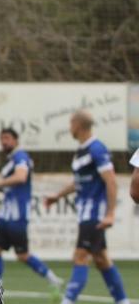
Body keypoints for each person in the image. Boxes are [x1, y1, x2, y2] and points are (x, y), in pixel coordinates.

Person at [43, 111, 130, 304]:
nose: (69, 128)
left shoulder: (97, 149)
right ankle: (123, 301)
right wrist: (57, 196)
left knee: (80, 256)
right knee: (101, 260)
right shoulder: (82, 151)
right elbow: (78, 182)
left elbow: (111, 181)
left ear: (77, 125)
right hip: (86, 214)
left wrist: (110, 213)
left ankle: (68, 301)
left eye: (70, 124)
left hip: (94, 214)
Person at [0, 128, 62, 292]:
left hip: (17, 217)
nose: (4, 141)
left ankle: (52, 279)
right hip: (5, 216)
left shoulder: (20, 156)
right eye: (2, 138)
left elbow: (21, 177)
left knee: (23, 255)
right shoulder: (11, 160)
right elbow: (11, 188)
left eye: (7, 138)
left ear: (16, 140)